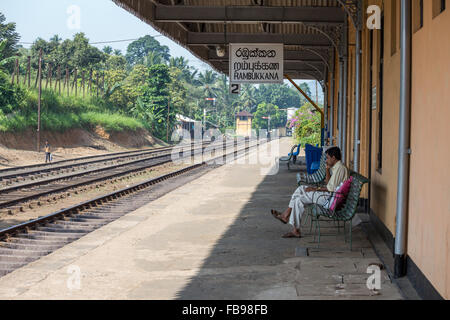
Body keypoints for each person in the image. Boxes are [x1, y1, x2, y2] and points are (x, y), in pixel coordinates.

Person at [271, 147, 349, 238]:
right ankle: (286, 215)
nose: (326, 160)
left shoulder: (340, 169)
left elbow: (331, 189)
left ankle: (295, 230)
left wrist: (316, 189)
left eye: (327, 158)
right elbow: (329, 184)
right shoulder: (336, 167)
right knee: (301, 189)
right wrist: (327, 169)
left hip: (330, 198)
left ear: (333, 157)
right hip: (329, 195)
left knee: (299, 199)